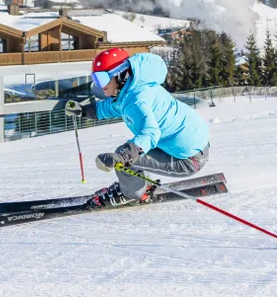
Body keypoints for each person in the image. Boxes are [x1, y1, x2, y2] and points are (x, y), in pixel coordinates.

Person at [65, 47, 210, 206]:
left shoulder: (136, 100)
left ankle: (131, 193)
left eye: (102, 78)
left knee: (125, 157)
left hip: (188, 159)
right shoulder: (134, 88)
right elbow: (112, 107)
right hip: (192, 144)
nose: (100, 85)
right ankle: (135, 184)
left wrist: (124, 156)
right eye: (96, 79)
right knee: (129, 153)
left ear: (120, 74)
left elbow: (150, 133)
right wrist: (84, 110)